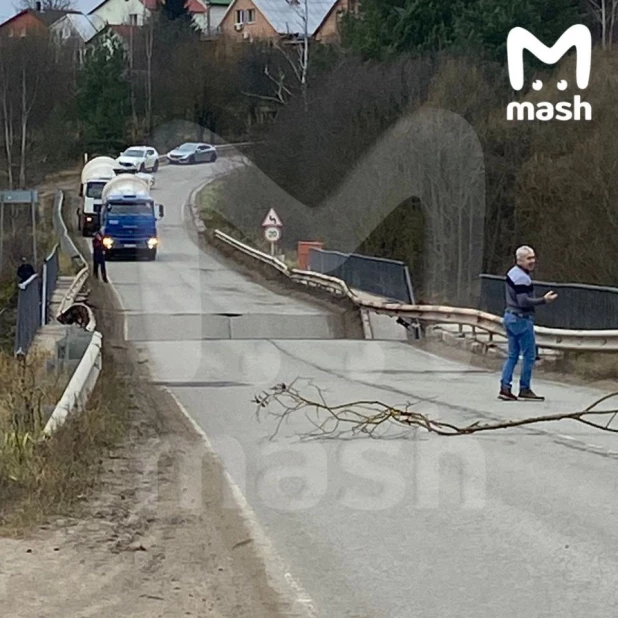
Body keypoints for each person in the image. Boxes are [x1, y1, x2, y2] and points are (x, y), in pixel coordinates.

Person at [498, 245, 557, 401]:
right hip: (521, 319)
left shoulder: (512, 273)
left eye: (533, 257)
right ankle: (524, 388)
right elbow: (523, 301)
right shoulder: (522, 278)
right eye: (529, 258)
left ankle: (505, 387)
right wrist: (544, 300)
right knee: (529, 356)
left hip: (510, 316)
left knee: (512, 355)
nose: (533, 261)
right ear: (520, 260)